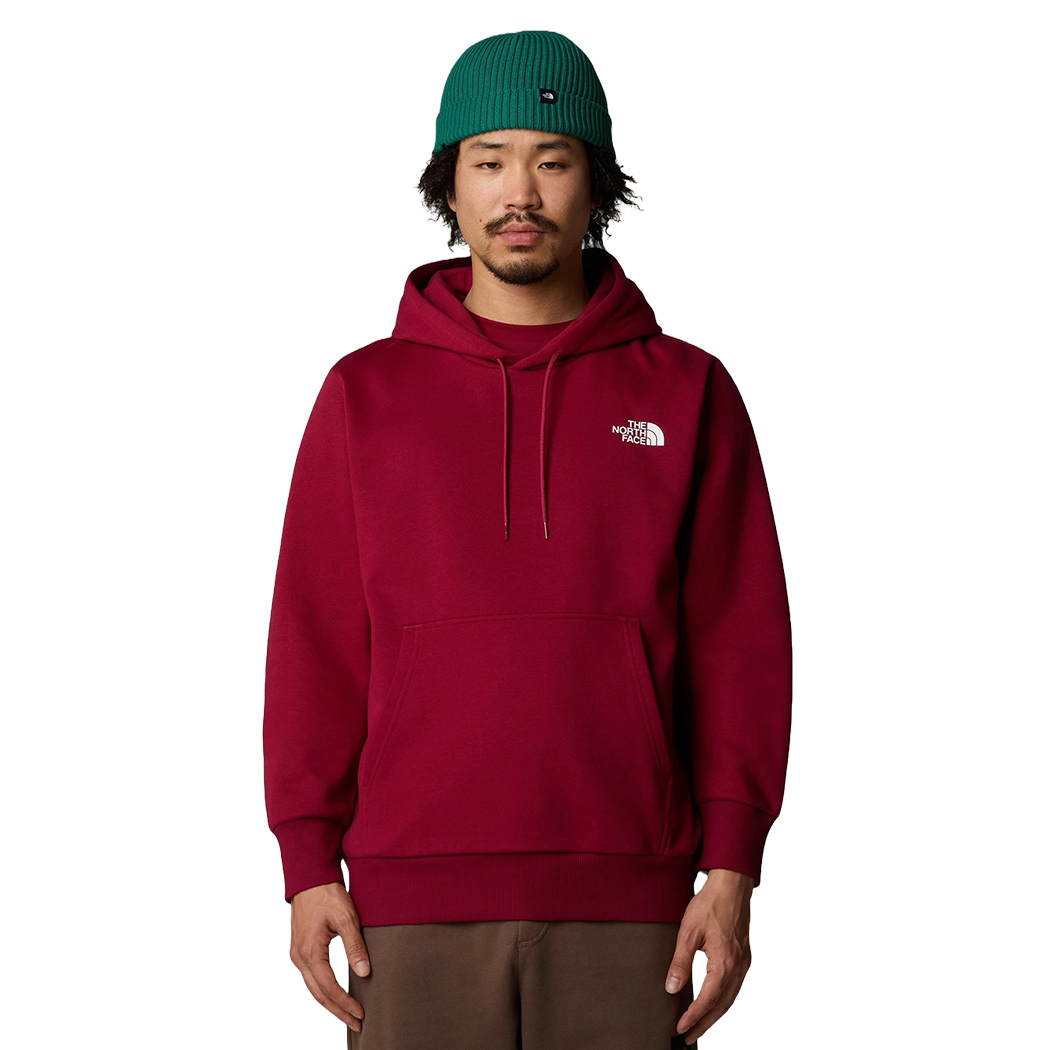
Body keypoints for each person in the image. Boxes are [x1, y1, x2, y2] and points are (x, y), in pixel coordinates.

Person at [263, 28, 792, 1049]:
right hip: (405, 903)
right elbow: (315, 645)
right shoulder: (365, 395)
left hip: (633, 901)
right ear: (449, 185)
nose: (520, 193)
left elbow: (741, 646)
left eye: (552, 161)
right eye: (489, 161)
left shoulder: (689, 392)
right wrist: (305, 863)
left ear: (596, 185)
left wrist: (732, 868)